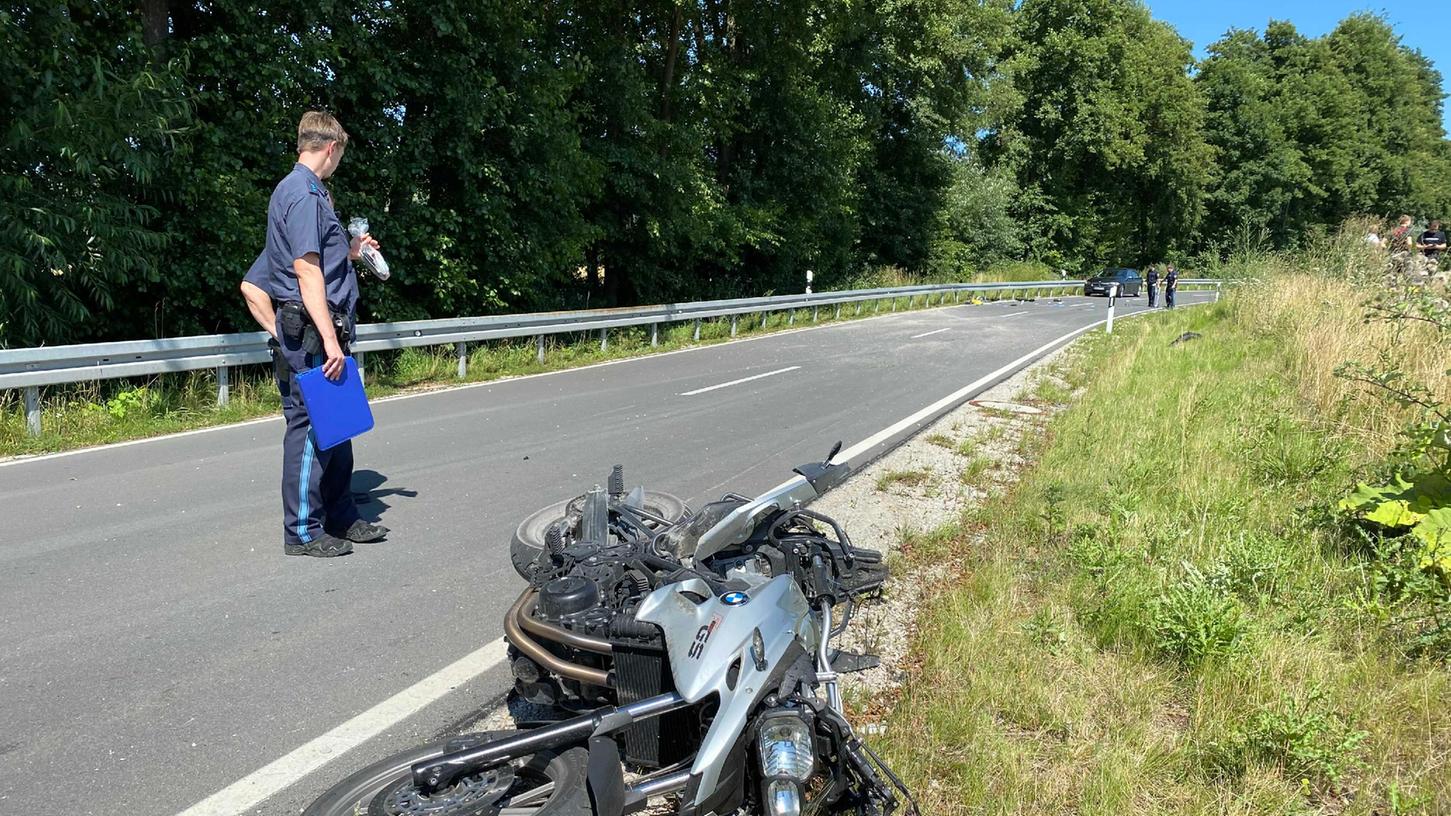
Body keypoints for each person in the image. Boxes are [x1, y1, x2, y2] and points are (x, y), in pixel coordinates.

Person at [263, 111, 387, 558]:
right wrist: (330, 340)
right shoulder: (301, 193)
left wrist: (351, 253)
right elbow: (305, 269)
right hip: (314, 331)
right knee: (311, 425)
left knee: (338, 424)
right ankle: (302, 531)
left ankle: (339, 514)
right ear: (331, 148)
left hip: (325, 326)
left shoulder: (313, 193)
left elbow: (325, 262)